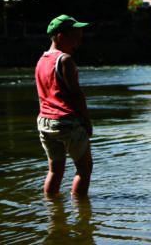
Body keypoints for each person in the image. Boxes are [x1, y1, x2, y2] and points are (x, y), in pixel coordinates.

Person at [35, 15, 93, 197]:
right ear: (61, 37)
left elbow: (42, 95)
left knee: (54, 170)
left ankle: (53, 212)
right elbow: (76, 94)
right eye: (76, 38)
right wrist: (87, 121)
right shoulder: (65, 60)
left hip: (45, 121)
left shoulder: (41, 60)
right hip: (67, 121)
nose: (79, 43)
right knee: (84, 169)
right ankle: (81, 215)